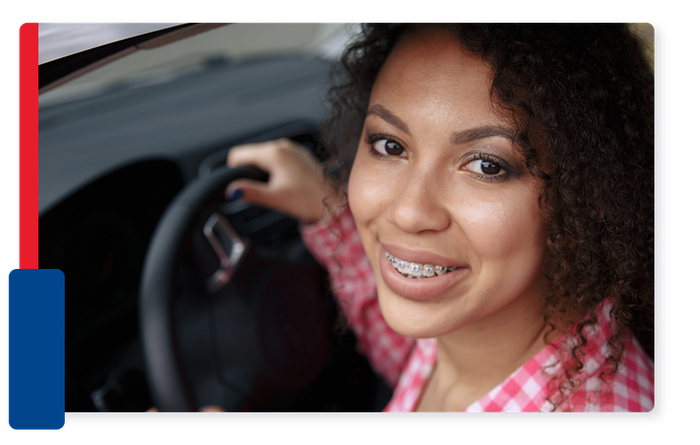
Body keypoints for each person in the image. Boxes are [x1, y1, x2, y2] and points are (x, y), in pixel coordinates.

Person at [225, 22, 655, 412]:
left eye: (486, 165)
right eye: (390, 146)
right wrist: (325, 208)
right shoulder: (470, 339)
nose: (408, 212)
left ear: (589, 197)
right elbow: (406, 354)